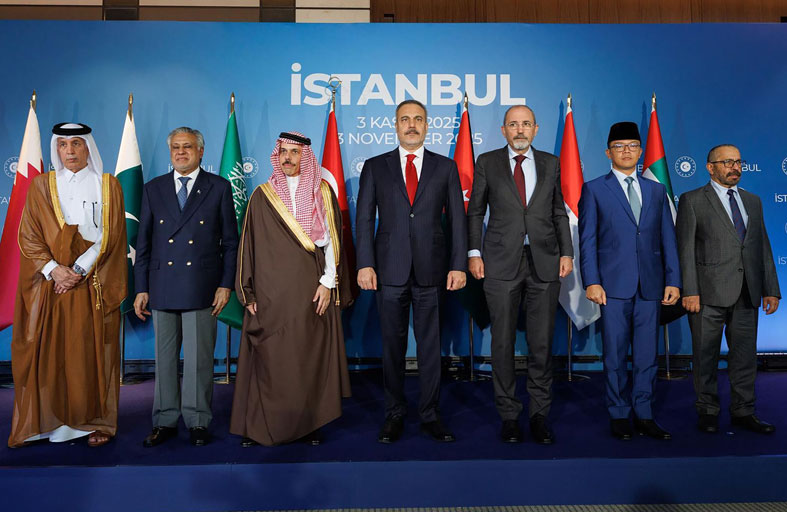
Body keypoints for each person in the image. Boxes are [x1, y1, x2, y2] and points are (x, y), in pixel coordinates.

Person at [230, 132, 353, 447]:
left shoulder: (321, 191)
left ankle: (308, 423)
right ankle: (259, 426)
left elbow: (332, 243)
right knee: (268, 358)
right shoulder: (262, 196)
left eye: (294, 152)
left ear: (305, 157)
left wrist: (328, 283)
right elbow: (248, 247)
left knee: (305, 358)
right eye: (283, 152)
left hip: (309, 292)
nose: (287, 157)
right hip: (269, 294)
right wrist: (247, 292)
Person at [9, 122, 127, 448]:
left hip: (91, 284)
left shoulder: (108, 185)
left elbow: (111, 235)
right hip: (49, 286)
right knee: (48, 354)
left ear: (88, 147)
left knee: (88, 353)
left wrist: (77, 269)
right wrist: (54, 270)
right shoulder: (41, 186)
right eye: (63, 145)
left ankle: (91, 421)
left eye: (77, 143)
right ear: (56, 149)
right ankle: (47, 422)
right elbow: (29, 235)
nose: (70, 151)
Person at [356, 99, 467, 443]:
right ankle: (394, 414)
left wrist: (458, 265)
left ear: (427, 125)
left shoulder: (445, 167)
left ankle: (430, 415)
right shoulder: (376, 166)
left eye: (418, 119)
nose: (412, 125)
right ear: (395, 125)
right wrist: (365, 263)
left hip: (432, 270)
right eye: (405, 119)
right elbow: (364, 219)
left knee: (431, 348)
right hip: (389, 271)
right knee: (392, 347)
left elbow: (458, 222)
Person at [467, 105, 573, 444]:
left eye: (526, 123)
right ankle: (509, 416)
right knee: (502, 342)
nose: (520, 129)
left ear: (536, 129)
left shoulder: (550, 163)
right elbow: (475, 212)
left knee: (541, 343)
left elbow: (558, 211)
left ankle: (539, 414)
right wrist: (474, 253)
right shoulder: (487, 162)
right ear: (504, 130)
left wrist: (567, 252)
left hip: (544, 260)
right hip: (499, 262)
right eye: (513, 124)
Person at [134, 126, 238, 447]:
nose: (181, 152)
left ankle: (197, 421)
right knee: (165, 359)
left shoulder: (218, 187)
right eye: (176, 147)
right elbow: (143, 243)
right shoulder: (153, 188)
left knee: (198, 360)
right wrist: (141, 287)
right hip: (162, 284)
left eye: (188, 147)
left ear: (200, 151)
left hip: (202, 285)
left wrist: (226, 285)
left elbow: (230, 243)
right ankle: (164, 420)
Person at [578, 121, 681, 441]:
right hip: (612, 287)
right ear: (608, 152)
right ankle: (619, 413)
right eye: (619, 146)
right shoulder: (594, 189)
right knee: (615, 354)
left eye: (633, 146)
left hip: (650, 286)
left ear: (640, 151)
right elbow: (587, 240)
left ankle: (645, 413)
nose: (627, 151)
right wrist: (591, 281)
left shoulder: (656, 190)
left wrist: (673, 280)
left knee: (648, 356)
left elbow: (668, 238)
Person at [676, 144, 780, 434]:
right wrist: (690, 290)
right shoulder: (692, 200)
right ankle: (708, 411)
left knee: (745, 358)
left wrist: (771, 288)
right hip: (707, 295)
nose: (735, 167)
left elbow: (762, 247)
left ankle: (744, 411)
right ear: (710, 168)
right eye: (727, 162)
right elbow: (685, 249)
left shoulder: (753, 201)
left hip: (748, 292)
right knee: (705, 356)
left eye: (738, 162)